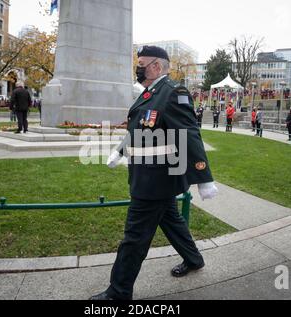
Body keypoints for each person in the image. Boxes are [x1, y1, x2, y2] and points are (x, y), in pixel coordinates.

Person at [90, 46, 218, 301]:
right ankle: (194, 259)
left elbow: (189, 134)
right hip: (148, 177)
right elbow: (139, 129)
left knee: (134, 238)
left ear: (157, 66)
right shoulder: (149, 94)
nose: (138, 68)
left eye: (142, 64)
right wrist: (120, 151)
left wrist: (203, 178)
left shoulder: (173, 93)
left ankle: (118, 292)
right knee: (171, 222)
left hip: (156, 181)